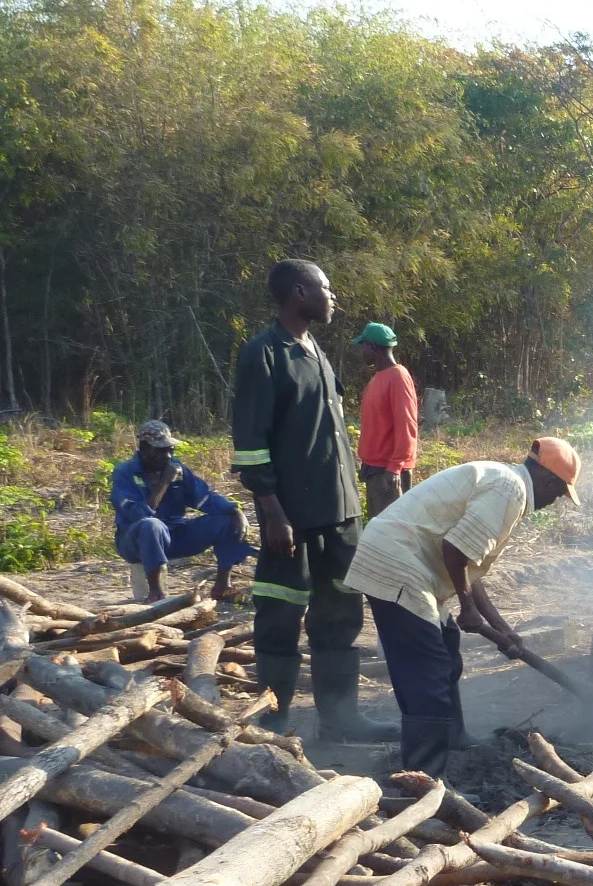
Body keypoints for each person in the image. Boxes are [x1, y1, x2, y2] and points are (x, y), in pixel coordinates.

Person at [343, 437, 582, 775]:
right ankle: (424, 775)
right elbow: (455, 550)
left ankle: (454, 738)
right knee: (427, 670)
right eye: (558, 493)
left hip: (406, 561)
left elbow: (467, 563)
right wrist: (467, 608)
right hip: (397, 562)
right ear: (548, 479)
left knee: (446, 645)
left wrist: (502, 628)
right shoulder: (510, 490)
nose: (553, 501)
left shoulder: (504, 482)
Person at [231, 259, 396, 742]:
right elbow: (251, 443)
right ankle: (274, 723)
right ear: (300, 293)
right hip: (292, 518)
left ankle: (341, 719)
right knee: (280, 615)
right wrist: (272, 513)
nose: (333, 296)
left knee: (340, 614)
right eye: (326, 287)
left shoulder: (315, 350)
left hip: (340, 513)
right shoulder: (263, 354)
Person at [109, 420, 255, 601]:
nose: (168, 456)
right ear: (144, 448)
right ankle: (156, 592)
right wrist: (164, 482)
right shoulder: (125, 473)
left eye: (170, 450)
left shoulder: (176, 468)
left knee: (228, 521)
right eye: (160, 450)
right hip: (135, 540)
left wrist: (235, 511)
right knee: (151, 525)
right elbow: (141, 514)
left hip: (174, 533)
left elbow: (204, 497)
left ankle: (222, 587)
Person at [353, 322, 419, 517]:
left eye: (363, 346)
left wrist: (395, 467)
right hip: (375, 470)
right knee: (378, 528)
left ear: (373, 347)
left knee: (391, 530)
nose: (361, 351)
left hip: (388, 473)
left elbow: (407, 424)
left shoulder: (398, 377)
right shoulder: (378, 378)